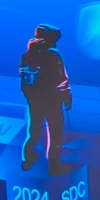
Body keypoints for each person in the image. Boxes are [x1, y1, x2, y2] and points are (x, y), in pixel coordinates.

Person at [19, 22, 72, 170]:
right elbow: (61, 78)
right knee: (55, 134)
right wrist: (67, 96)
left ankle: (27, 158)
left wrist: (31, 98)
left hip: (34, 101)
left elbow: (24, 79)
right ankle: (54, 166)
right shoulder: (53, 53)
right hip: (52, 101)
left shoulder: (27, 54)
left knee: (33, 132)